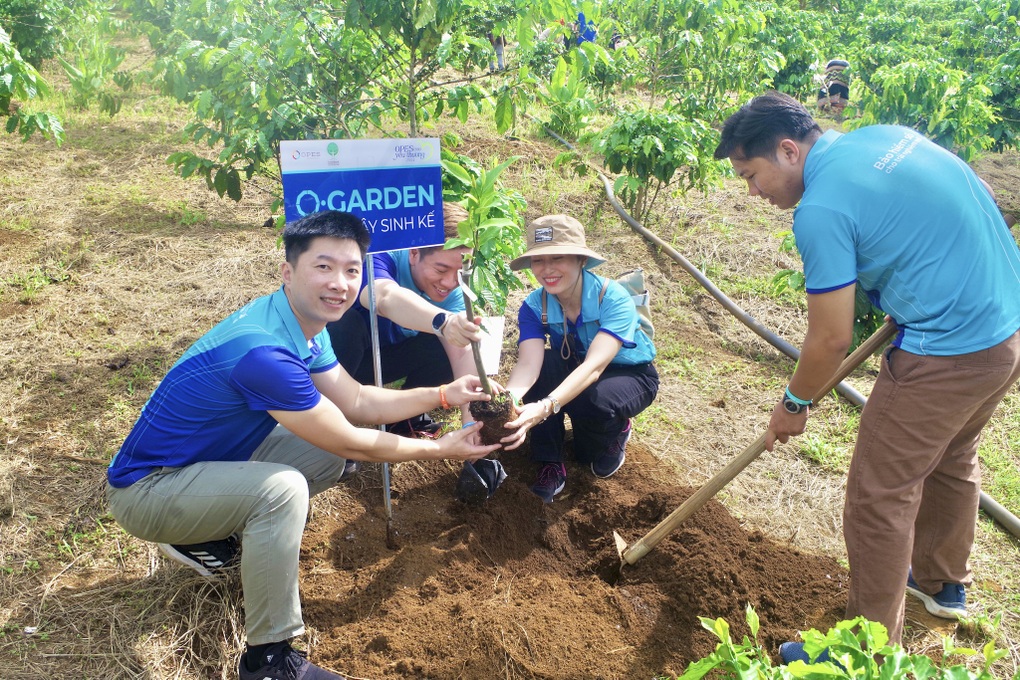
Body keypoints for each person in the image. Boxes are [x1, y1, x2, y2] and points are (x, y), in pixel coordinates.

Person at [106, 210, 500, 680]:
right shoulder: (264, 352)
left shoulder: (300, 325)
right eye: (324, 267)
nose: (340, 283)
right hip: (147, 490)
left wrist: (441, 395)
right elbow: (357, 437)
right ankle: (268, 661)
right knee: (284, 489)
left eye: (352, 270)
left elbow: (355, 399)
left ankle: (216, 531)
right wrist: (441, 450)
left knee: (327, 453)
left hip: (206, 462)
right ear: (288, 272)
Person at [713, 92, 1020, 662]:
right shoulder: (885, 136)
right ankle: (939, 584)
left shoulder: (821, 209)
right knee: (952, 457)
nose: (752, 193)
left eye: (751, 175)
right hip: (1005, 330)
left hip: (947, 351)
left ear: (788, 150)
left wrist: (795, 401)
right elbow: (954, 209)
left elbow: (830, 339)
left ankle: (864, 652)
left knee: (879, 496)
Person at [499, 214, 659, 502]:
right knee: (547, 365)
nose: (546, 269)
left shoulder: (613, 298)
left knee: (591, 425)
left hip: (629, 376)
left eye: (557, 258)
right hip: (577, 371)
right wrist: (507, 401)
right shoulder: (535, 305)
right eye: (537, 261)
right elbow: (528, 364)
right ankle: (549, 463)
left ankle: (616, 430)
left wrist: (547, 405)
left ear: (580, 260)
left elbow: (594, 367)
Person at [326, 202, 481, 438]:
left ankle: (401, 419)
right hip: (336, 362)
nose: (450, 283)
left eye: (460, 273)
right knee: (345, 325)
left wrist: (472, 427)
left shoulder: (454, 292)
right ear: (413, 252)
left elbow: (462, 357)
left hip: (387, 360)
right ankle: (331, 426)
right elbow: (384, 296)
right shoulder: (377, 254)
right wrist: (443, 321)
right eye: (440, 270)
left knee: (447, 348)